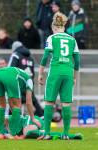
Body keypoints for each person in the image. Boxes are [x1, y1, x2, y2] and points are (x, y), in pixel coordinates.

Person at [38, 12, 80, 140]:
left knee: (49, 102)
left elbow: (45, 57)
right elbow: (77, 61)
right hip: (68, 72)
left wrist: (40, 73)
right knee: (66, 103)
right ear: (64, 27)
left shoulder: (52, 38)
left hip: (55, 71)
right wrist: (74, 77)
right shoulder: (72, 39)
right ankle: (66, 134)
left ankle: (47, 134)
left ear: (54, 28)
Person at [0, 67, 41, 139]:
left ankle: (1, 134)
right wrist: (32, 118)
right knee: (18, 105)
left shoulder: (21, 75)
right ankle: (13, 134)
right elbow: (29, 101)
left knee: (1, 105)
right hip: (10, 76)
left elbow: (10, 101)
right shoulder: (29, 80)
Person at [8, 41, 43, 117]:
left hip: (18, 82)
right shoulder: (30, 58)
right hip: (28, 81)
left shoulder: (15, 55)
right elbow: (32, 72)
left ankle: (11, 118)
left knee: (14, 101)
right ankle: (41, 116)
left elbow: (10, 69)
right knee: (31, 100)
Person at [0, 115, 83, 140]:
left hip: (29, 120)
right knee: (31, 135)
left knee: (28, 133)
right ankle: (72, 136)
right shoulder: (4, 134)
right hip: (30, 126)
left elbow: (5, 118)